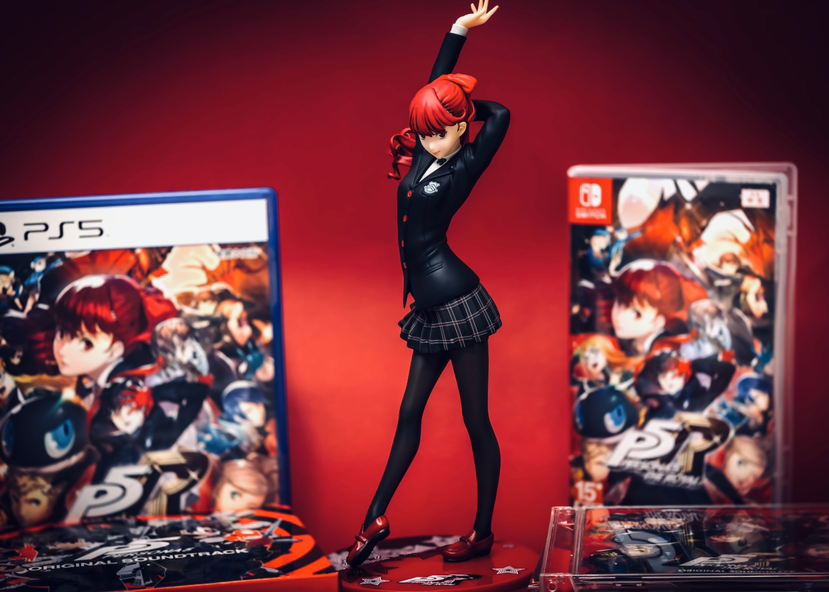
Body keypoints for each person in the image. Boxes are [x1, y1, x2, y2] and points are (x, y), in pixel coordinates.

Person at [347, 0, 507, 567]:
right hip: (431, 311)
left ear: (461, 128)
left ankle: (482, 531)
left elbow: (501, 114)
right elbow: (431, 88)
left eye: (441, 132)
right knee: (409, 414)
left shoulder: (465, 164)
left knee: (475, 421)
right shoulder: (421, 157)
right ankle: (374, 518)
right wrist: (458, 31)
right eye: (425, 132)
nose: (430, 141)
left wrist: (462, 104)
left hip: (460, 304)